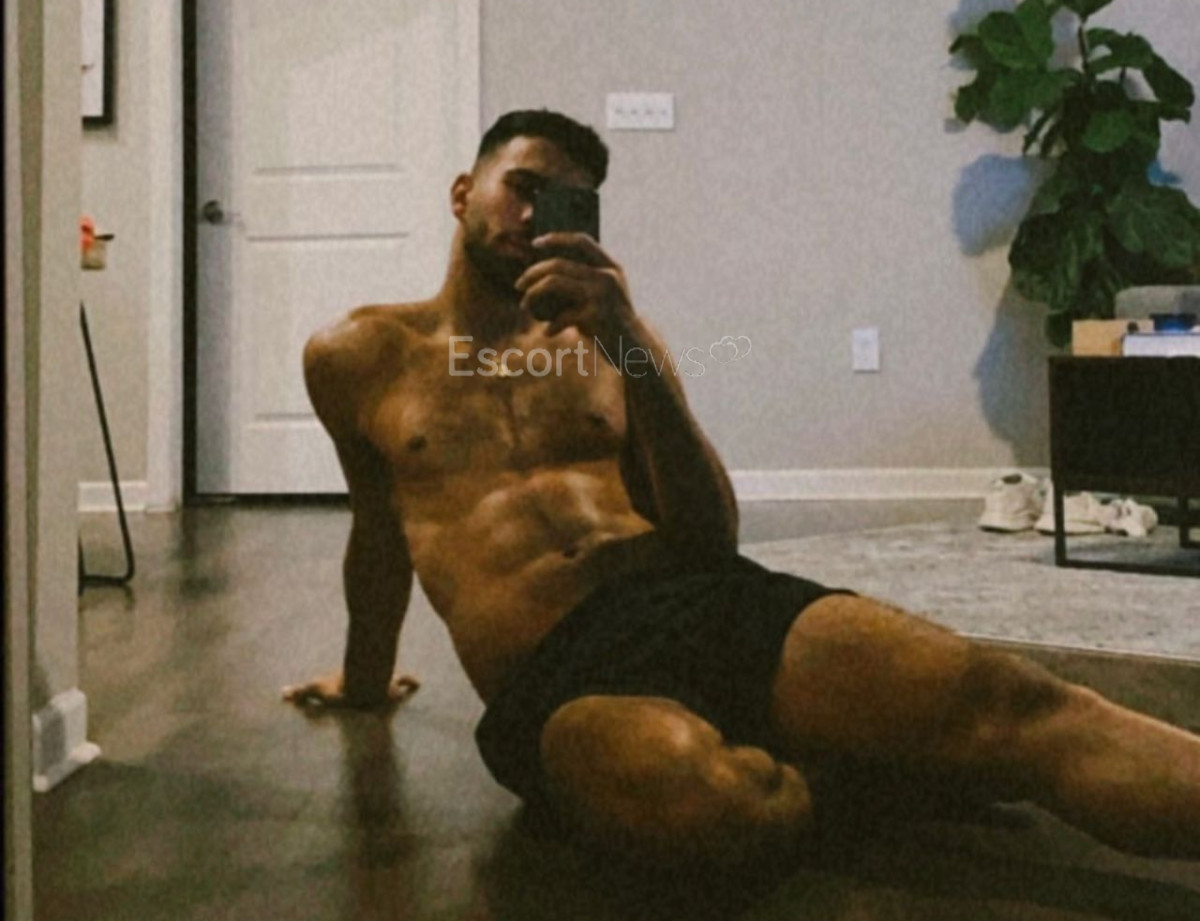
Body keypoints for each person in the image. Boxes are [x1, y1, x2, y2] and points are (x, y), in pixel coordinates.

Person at [285, 109, 1200, 871]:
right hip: (553, 677)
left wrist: (627, 343)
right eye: (519, 185)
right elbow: (379, 531)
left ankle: (872, 751)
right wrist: (364, 683)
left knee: (1010, 700)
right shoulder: (358, 355)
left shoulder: (613, 339)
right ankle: (867, 768)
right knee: (707, 801)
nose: (531, 214)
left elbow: (709, 535)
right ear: (462, 192)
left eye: (563, 201)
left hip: (702, 600)